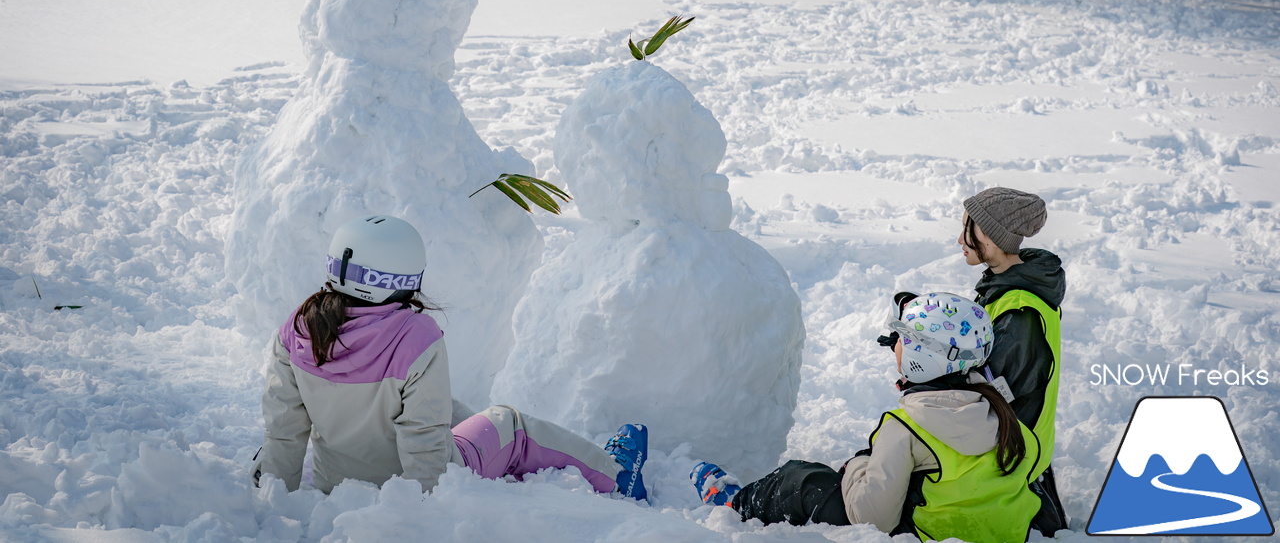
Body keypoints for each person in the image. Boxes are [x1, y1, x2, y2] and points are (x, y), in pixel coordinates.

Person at [253, 213, 648, 500]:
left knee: (454, 409)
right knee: (509, 423)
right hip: (406, 488)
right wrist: (421, 509)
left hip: (335, 481)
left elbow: (284, 430)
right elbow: (423, 442)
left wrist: (276, 495)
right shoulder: (414, 334)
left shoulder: (300, 326)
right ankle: (617, 476)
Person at [690, 293, 1041, 543]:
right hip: (998, 534)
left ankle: (734, 503)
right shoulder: (1005, 414)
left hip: (930, 534)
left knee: (803, 478)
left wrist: (859, 466)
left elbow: (873, 518)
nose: (895, 346)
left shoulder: (906, 427)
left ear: (923, 356)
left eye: (902, 339)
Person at [959, 187, 1067, 533]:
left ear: (988, 236)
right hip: (1020, 447)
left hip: (1011, 457)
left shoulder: (1019, 312)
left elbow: (994, 399)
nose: (958, 239)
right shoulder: (1008, 287)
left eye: (966, 229)